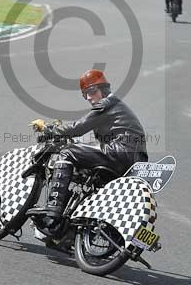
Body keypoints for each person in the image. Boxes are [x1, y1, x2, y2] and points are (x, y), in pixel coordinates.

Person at [28, 69, 148, 233]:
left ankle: (53, 211)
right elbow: (89, 138)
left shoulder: (107, 103)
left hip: (120, 152)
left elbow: (79, 127)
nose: (89, 97)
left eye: (92, 91)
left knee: (67, 153)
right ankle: (76, 225)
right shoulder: (115, 108)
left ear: (104, 89)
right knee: (88, 176)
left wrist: (50, 129)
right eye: (85, 94)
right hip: (130, 160)